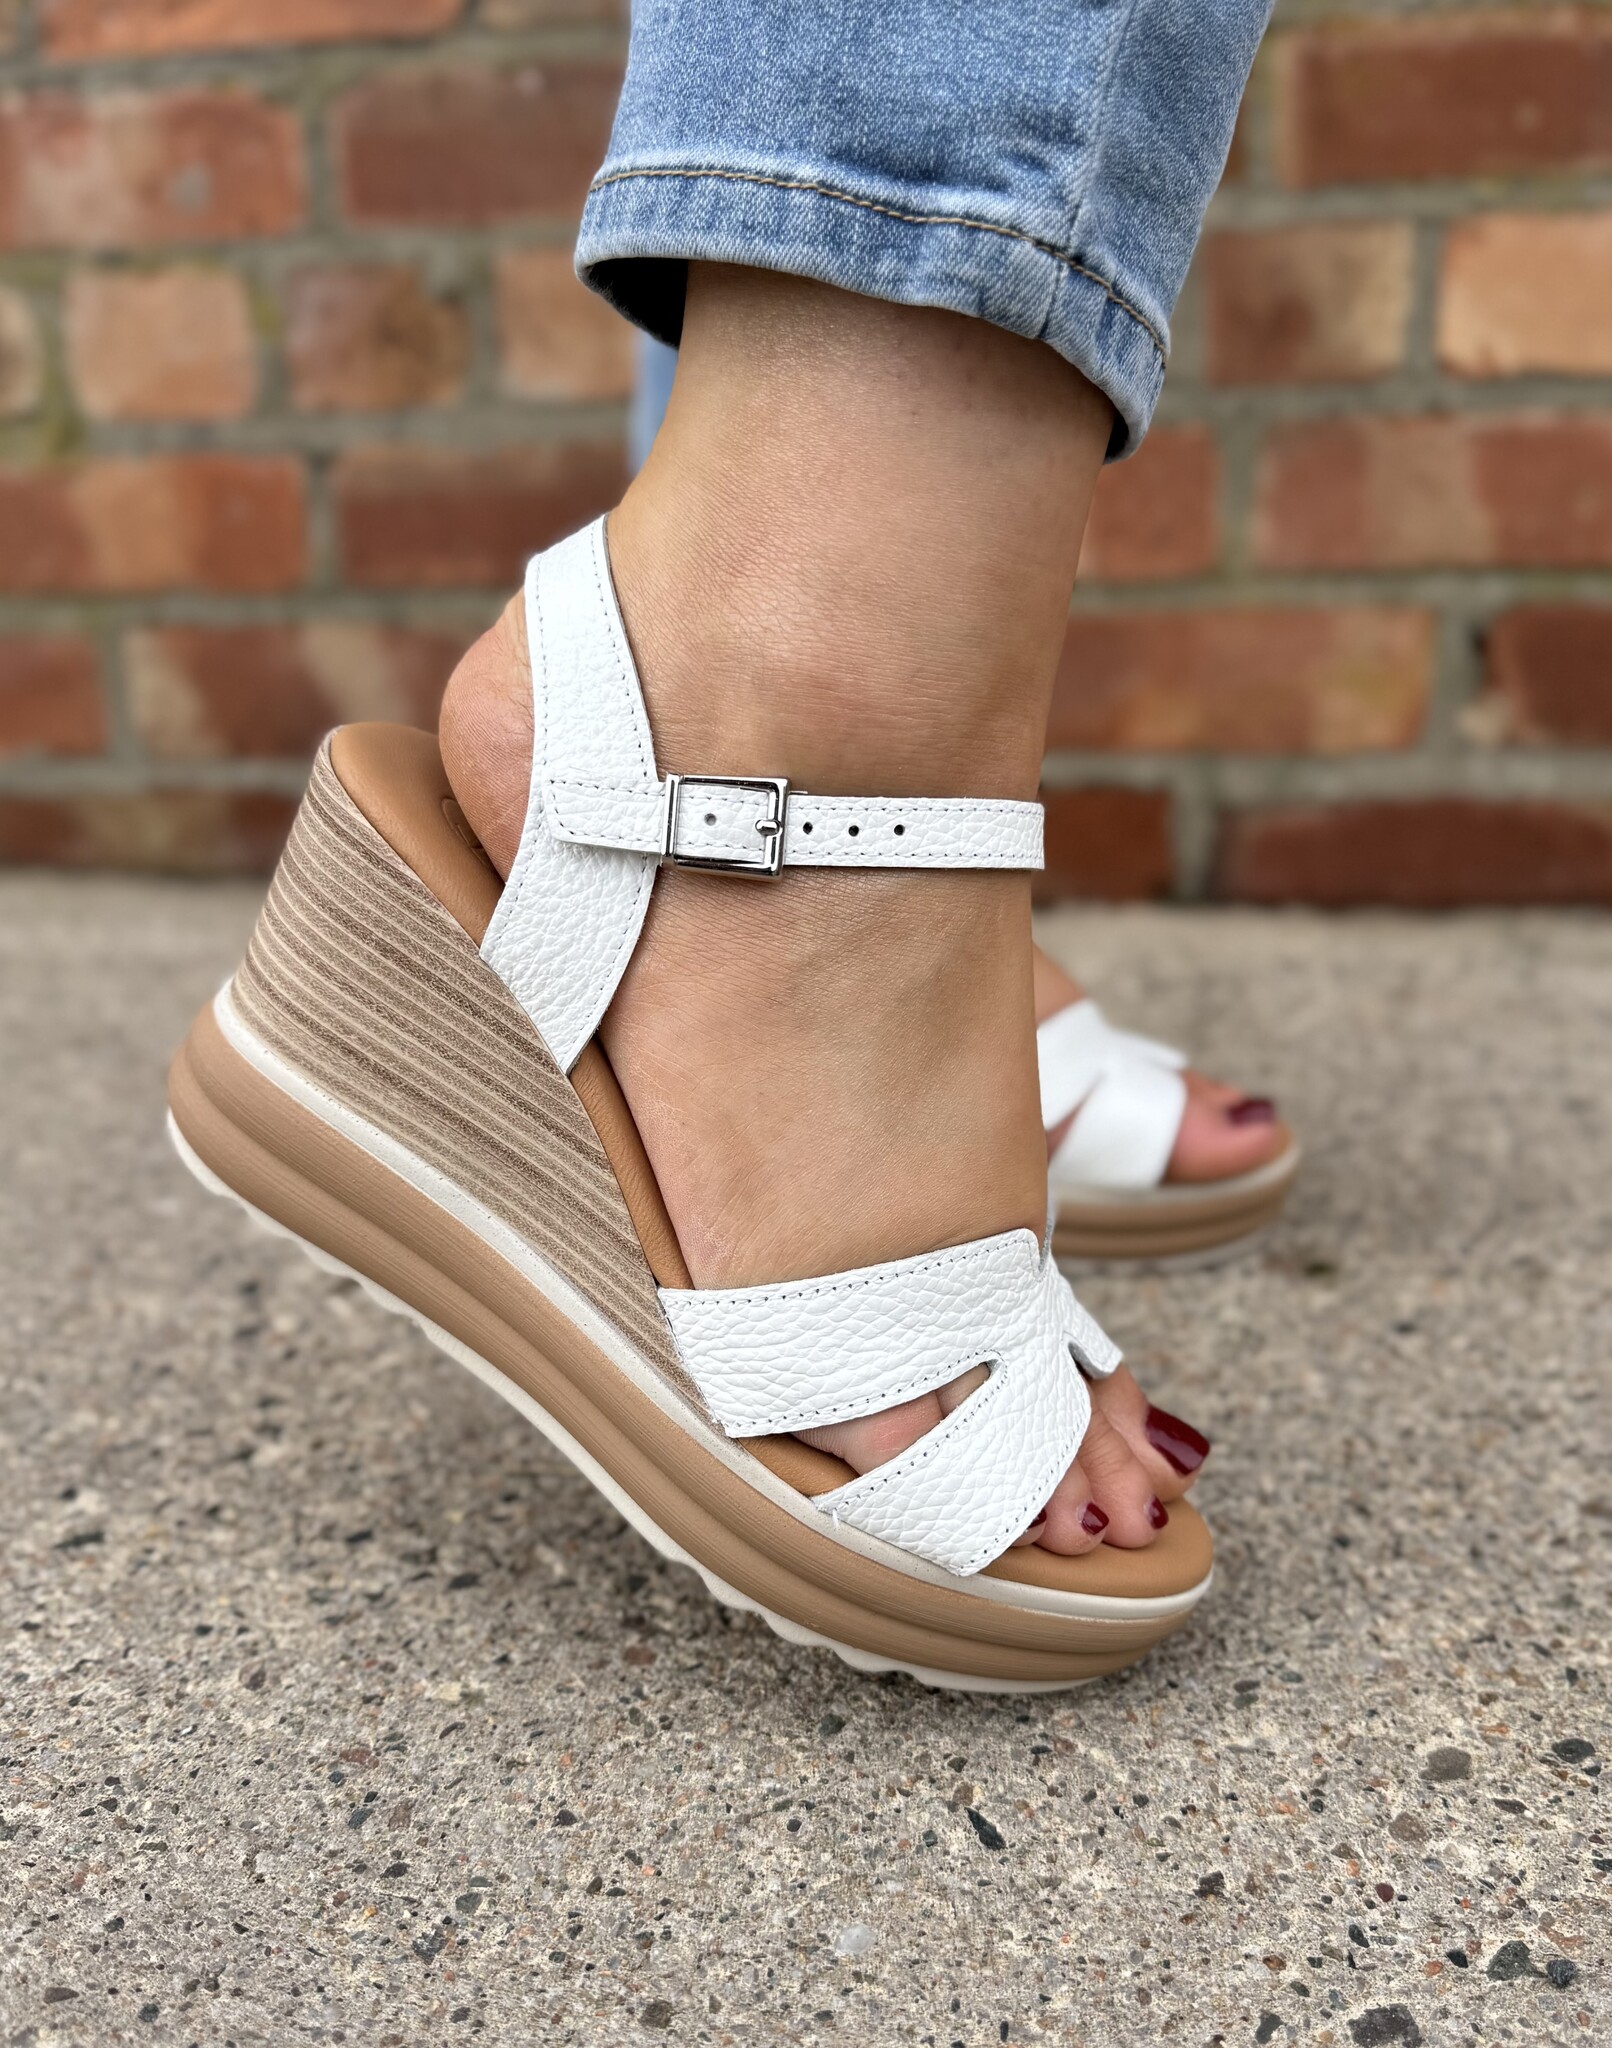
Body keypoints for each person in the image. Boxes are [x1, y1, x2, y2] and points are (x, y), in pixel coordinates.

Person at [171, 0, 1277, 1687]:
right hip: (728, 804)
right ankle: (774, 719)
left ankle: (756, 698)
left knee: (788, 474)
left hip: (720, 808)